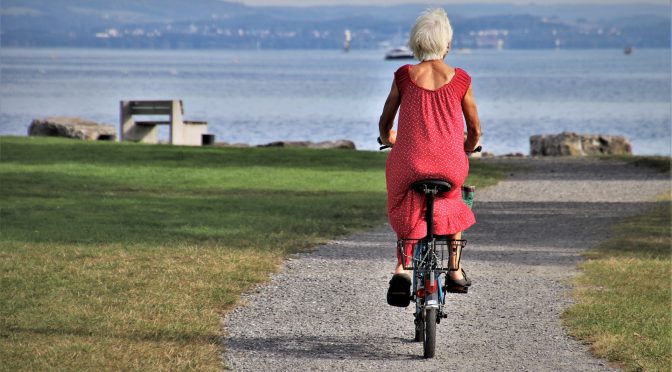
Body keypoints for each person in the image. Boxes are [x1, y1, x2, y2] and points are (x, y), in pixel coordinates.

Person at [378, 8, 481, 305]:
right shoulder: (461, 79)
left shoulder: (404, 76)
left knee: (405, 198)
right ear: (446, 44)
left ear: (416, 43)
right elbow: (474, 128)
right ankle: (455, 268)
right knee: (452, 199)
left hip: (409, 163)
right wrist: (468, 147)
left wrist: (389, 139)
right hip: (449, 165)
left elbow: (385, 123)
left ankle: (403, 269)